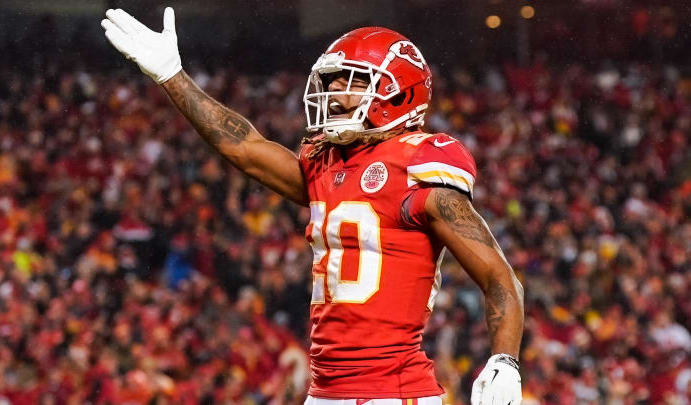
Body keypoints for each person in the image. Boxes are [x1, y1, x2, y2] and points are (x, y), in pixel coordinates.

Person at [101, 7, 524, 405]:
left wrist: (504, 360)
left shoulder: (417, 165)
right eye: (333, 80)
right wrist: (173, 77)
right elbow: (245, 148)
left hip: (393, 392)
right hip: (324, 390)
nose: (336, 91)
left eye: (352, 80)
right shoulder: (325, 162)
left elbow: (499, 277)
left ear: (397, 94)